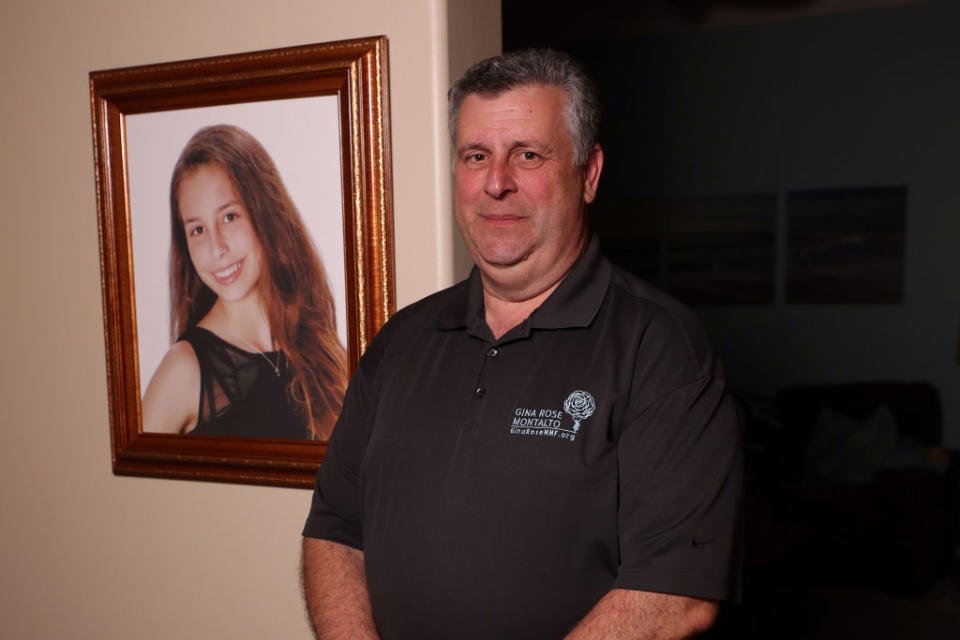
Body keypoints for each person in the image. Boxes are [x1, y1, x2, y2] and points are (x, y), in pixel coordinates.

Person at [301, 49, 741, 638]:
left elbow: (672, 595)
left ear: (589, 173)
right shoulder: (401, 341)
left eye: (528, 155)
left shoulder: (660, 348)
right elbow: (334, 530)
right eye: (475, 156)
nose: (497, 183)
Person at [142, 124, 348, 440]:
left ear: (265, 213)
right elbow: (127, 488)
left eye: (229, 217)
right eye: (197, 230)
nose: (217, 248)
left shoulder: (320, 344)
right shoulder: (183, 370)